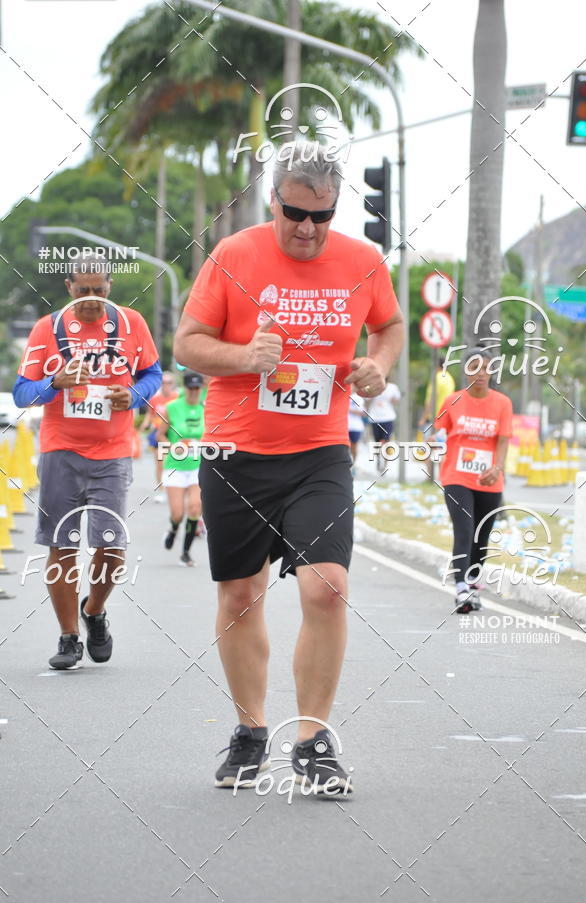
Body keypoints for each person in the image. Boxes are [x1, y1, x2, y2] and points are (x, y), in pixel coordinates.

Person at [174, 142, 403, 794]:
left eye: (321, 216)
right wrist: (245, 357)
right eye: (295, 213)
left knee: (326, 587)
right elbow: (187, 344)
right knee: (240, 595)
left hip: (319, 453)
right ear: (273, 200)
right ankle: (251, 731)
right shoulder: (234, 255)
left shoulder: (362, 262)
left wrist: (378, 365)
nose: (307, 228)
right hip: (235, 452)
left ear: (336, 208)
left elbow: (390, 325)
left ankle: (313, 741)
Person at [13, 254, 162, 669]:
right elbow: (22, 393)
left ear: (110, 286)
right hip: (60, 450)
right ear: (69, 288)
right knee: (61, 544)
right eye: (83, 291)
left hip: (112, 451)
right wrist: (53, 383)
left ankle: (94, 610)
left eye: (99, 290)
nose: (92, 300)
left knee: (111, 545)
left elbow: (152, 374)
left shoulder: (132, 324)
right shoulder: (47, 329)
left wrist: (133, 396)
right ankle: (68, 637)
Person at [435, 346, 512, 614]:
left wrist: (497, 468)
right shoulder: (452, 401)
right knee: (465, 529)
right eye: (474, 368)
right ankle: (460, 588)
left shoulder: (503, 403)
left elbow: (503, 440)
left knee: (481, 535)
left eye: (486, 368)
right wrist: (433, 443)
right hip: (456, 477)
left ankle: (471, 582)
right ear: (465, 371)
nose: (480, 373)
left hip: (489, 480)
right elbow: (438, 433)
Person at [157, 370, 205, 567]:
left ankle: (185, 553)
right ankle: (173, 528)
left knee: (194, 508)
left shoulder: (207, 409)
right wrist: (174, 446)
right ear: (185, 388)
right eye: (191, 388)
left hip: (197, 467)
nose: (194, 392)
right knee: (178, 513)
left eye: (197, 388)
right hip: (175, 466)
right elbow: (160, 435)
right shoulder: (172, 407)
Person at [140, 371, 179, 502]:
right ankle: (162, 491)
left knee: (175, 462)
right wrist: (146, 423)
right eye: (163, 382)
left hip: (173, 433)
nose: (166, 385)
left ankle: (176, 486)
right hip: (159, 433)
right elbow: (150, 414)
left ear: (173, 384)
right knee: (160, 462)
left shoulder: (177, 398)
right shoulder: (155, 399)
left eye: (169, 382)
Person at [419, 356, 456, 479]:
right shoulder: (450, 378)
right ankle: (441, 475)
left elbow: (431, 400)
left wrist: (424, 417)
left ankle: (429, 476)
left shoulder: (436, 378)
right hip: (447, 419)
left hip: (434, 419)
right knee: (441, 448)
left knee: (428, 446)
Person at [368, 378, 400, 472]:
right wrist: (373, 393)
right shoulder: (372, 386)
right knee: (377, 442)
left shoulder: (392, 387)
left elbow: (396, 399)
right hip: (375, 418)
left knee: (386, 441)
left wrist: (390, 400)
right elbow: (367, 399)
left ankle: (385, 462)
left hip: (388, 417)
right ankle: (378, 459)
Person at [347, 393, 365, 464]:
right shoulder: (342, 394)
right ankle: (347, 464)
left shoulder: (358, 397)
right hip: (343, 427)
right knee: (345, 447)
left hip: (355, 427)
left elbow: (363, 413)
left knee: (354, 446)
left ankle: (354, 463)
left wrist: (349, 409)